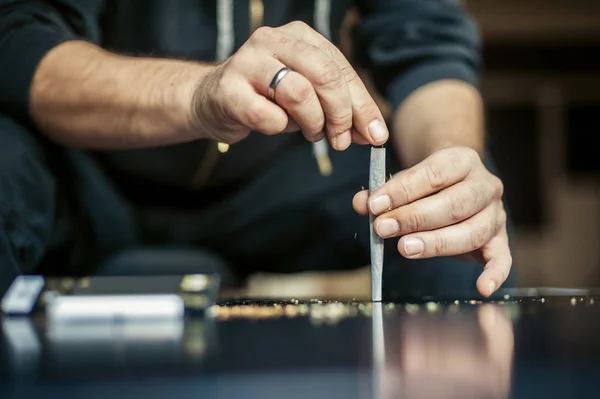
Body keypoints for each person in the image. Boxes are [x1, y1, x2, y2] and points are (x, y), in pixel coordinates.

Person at [0, 0, 515, 299]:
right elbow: (18, 37)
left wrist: (451, 164)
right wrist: (200, 95)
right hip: (88, 178)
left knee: (443, 203)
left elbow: (428, 50)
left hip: (286, 184)